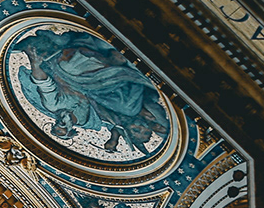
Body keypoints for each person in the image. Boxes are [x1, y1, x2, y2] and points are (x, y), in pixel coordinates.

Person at [16, 30, 169, 156]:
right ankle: (137, 77)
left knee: (72, 68)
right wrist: (114, 139)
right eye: (64, 128)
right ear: (71, 130)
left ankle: (113, 60)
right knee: (127, 107)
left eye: (57, 125)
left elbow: (44, 83)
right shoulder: (86, 121)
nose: (61, 123)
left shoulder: (53, 105)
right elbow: (111, 122)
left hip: (72, 78)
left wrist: (35, 64)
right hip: (99, 92)